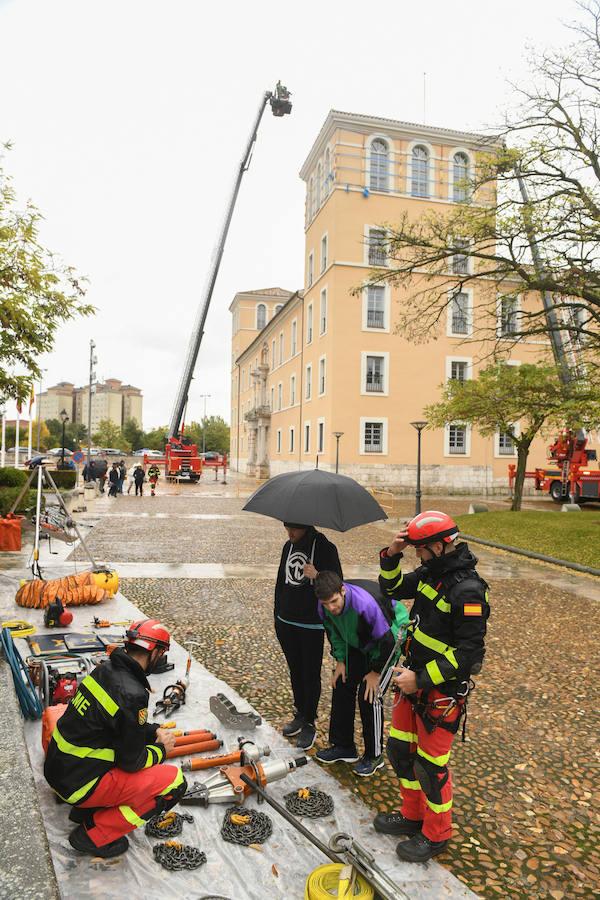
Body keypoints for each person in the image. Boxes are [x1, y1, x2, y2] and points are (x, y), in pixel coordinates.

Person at [375, 510, 490, 863]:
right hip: (412, 684)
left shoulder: (468, 590)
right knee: (400, 753)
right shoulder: (432, 572)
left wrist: (420, 679)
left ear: (440, 546)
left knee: (429, 765)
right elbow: (392, 587)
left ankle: (436, 833)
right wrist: (391, 554)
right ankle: (413, 815)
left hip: (439, 694)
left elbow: (469, 654)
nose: (417, 555)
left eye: (420, 549)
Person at [44, 619, 186, 859]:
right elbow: (131, 761)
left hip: (61, 770)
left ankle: (84, 810)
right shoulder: (133, 692)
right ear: (156, 652)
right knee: (174, 783)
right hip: (79, 783)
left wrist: (153, 731)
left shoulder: (104, 669)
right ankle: (93, 834)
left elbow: (118, 723)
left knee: (136, 748)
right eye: (162, 654)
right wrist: (162, 749)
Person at [314, 572, 409, 777]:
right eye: (325, 603)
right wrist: (340, 661)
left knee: (369, 695)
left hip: (387, 640)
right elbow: (334, 633)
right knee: (341, 682)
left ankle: (374, 756)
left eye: (334, 601)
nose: (331, 607)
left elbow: (389, 642)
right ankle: (344, 746)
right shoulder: (324, 606)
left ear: (343, 591)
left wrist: (375, 672)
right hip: (357, 641)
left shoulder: (366, 606)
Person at [275, 522, 342, 751]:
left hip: (311, 624)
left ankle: (310, 721)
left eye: (293, 528)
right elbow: (280, 583)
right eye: (286, 527)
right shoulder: (288, 546)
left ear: (306, 527)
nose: (289, 533)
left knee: (310, 673)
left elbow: (337, 584)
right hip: (286, 620)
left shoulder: (326, 548)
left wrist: (318, 575)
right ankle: (300, 713)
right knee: (295, 670)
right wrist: (277, 615)